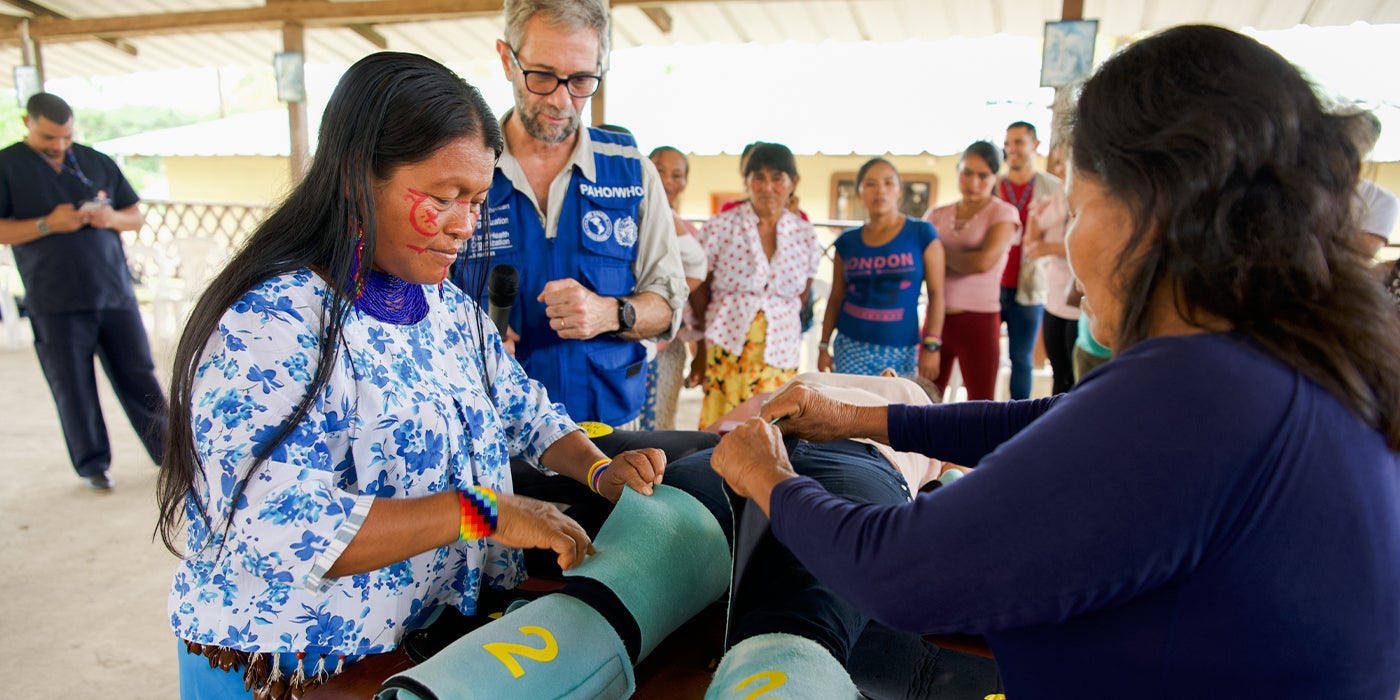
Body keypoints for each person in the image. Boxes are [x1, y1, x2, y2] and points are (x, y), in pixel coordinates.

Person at [712, 25, 1400, 697]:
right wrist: (859, 418)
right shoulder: (1280, 361)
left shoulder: (1199, 393)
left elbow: (897, 572)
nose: (1068, 244)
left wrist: (768, 475)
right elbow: (1056, 420)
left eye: (1077, 211)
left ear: (1150, 212)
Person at [155, 52, 676, 699]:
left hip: (411, 651)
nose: (464, 226)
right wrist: (482, 511)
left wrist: (597, 470)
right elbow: (279, 524)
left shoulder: (444, 306)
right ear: (357, 177)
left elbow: (524, 408)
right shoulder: (271, 321)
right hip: (295, 669)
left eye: (477, 201)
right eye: (444, 198)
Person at [452, 0, 687, 429]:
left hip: (609, 431)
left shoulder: (633, 172)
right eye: (542, 76)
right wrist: (464, 339)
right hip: (495, 433)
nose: (561, 101)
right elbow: (412, 307)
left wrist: (611, 313)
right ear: (507, 60)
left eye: (581, 80)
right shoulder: (462, 170)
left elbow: (668, 306)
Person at [0, 92, 165, 491]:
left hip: (113, 291)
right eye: (48, 137)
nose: (58, 145)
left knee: (141, 376)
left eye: (66, 137)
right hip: (54, 298)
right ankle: (94, 466)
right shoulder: (7, 166)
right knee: (73, 387)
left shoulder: (96, 161)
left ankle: (170, 453)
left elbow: (135, 217)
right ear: (27, 123)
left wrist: (111, 218)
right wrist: (47, 224)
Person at [688, 142, 820, 428]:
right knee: (721, 427)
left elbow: (802, 294)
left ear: (793, 182)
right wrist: (702, 341)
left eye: (777, 178)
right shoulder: (721, 226)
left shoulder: (805, 234)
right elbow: (697, 286)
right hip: (727, 342)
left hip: (781, 347)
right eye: (758, 177)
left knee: (772, 423)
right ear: (746, 181)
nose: (767, 187)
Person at [819, 158, 944, 381]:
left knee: (895, 403)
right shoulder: (847, 241)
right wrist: (823, 345)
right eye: (870, 184)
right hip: (850, 349)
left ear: (899, 190)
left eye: (888, 183)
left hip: (901, 350)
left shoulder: (921, 233)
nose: (880, 191)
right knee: (849, 404)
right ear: (860, 193)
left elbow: (936, 294)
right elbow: (836, 296)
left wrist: (931, 346)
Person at [923, 142, 1020, 400]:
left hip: (980, 322)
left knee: (980, 404)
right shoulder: (936, 214)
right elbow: (920, 262)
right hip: (936, 321)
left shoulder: (1003, 213)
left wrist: (937, 255)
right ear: (957, 171)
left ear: (995, 177)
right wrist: (958, 258)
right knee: (923, 400)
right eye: (967, 172)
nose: (973, 182)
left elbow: (983, 262)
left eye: (983, 175)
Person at [997, 120, 1068, 399]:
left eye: (1018, 142)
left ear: (1035, 145)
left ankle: (1018, 417)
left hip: (1030, 287)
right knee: (987, 358)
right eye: (1007, 143)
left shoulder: (1055, 189)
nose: (1011, 149)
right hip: (992, 286)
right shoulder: (994, 185)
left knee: (1021, 359)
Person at [639, 145, 707, 430]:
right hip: (626, 339)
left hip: (666, 345)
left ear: (685, 182)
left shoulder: (686, 231)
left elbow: (699, 291)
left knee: (659, 425)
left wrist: (662, 301)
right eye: (659, 170)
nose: (666, 180)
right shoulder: (630, 216)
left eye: (676, 175)